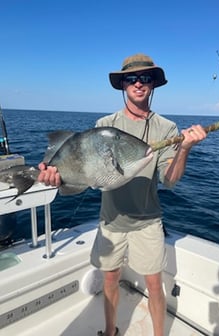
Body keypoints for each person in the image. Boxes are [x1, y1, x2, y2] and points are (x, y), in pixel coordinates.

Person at [38, 53, 207, 336]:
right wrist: (56, 178)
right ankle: (110, 331)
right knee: (110, 280)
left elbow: (170, 180)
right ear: (123, 85)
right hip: (111, 219)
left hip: (148, 220)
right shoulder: (106, 124)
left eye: (145, 78)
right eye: (131, 78)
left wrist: (185, 149)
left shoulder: (167, 128)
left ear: (153, 84)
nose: (138, 83)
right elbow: (84, 169)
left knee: (154, 284)